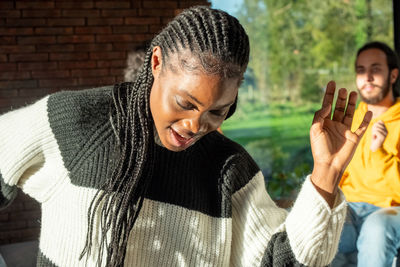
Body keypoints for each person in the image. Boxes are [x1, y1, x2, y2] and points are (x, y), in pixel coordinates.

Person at [0, 6, 371, 267]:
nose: (195, 125)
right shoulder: (79, 123)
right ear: (157, 62)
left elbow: (282, 262)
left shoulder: (229, 170)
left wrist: (325, 172)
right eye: (185, 103)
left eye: (216, 111)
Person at [335, 41, 400, 267]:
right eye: (361, 70)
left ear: (393, 75)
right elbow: (338, 174)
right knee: (316, 220)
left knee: (377, 228)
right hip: (351, 207)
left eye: (376, 69)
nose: (367, 77)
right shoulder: (350, 119)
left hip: (391, 210)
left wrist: (379, 151)